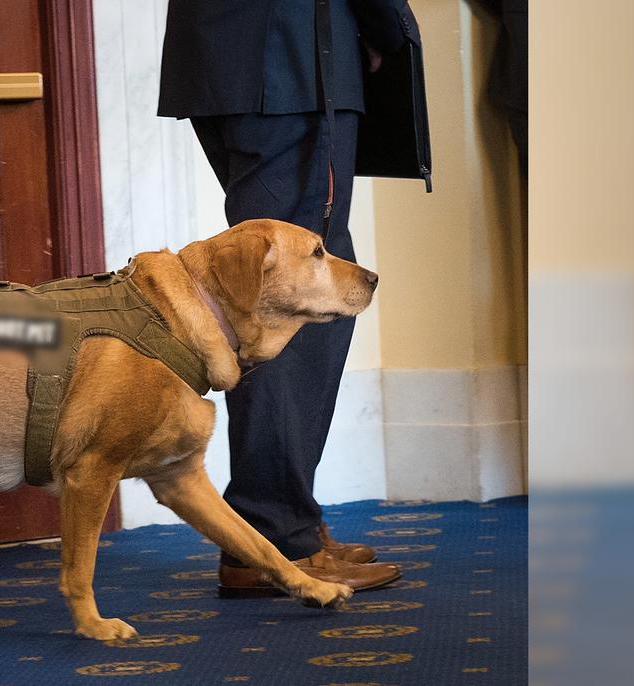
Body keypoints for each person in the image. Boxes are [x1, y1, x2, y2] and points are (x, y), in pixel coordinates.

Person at [158, 0, 428, 596]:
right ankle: (272, 536)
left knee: (286, 285)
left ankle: (283, 522)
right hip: (292, 56)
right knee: (300, 298)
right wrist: (389, 28)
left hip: (228, 53)